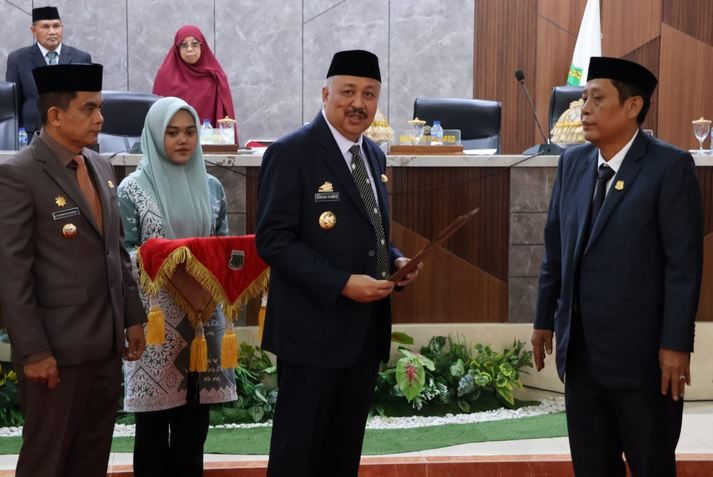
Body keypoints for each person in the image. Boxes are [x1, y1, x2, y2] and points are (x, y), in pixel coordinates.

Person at [531, 57, 703, 477]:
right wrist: (544, 319)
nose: (584, 109)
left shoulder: (669, 167)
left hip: (645, 360)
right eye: (583, 98)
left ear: (632, 106)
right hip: (582, 355)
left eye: (597, 98)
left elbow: (683, 266)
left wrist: (676, 344)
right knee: (592, 466)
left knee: (650, 465)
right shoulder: (572, 163)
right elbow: (556, 250)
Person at [256, 49, 420, 477]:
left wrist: (395, 259)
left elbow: (369, 229)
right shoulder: (291, 152)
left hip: (362, 336)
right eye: (348, 92)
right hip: (311, 334)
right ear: (325, 93)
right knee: (298, 456)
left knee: (342, 456)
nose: (358, 103)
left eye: (369, 94)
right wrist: (341, 282)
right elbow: (273, 241)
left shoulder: (374, 156)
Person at [0, 63, 146, 477]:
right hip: (56, 351)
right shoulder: (19, 174)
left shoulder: (100, 166)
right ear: (56, 115)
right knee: (46, 461)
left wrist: (132, 318)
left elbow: (116, 251)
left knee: (91, 460)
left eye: (99, 107)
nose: (100, 118)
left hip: (105, 345)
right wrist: (33, 351)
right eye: (89, 109)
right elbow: (12, 273)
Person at [118, 96, 237, 477]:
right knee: (153, 427)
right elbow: (123, 256)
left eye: (189, 132)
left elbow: (222, 247)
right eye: (172, 133)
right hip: (155, 318)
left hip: (201, 318)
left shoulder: (213, 187)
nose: (183, 140)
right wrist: (170, 262)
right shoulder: (132, 189)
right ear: (155, 136)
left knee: (194, 425)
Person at [5, 6, 92, 138]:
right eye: (45, 27)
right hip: (32, 135)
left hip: (71, 134)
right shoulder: (18, 59)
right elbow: (12, 107)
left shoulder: (81, 58)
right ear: (33, 30)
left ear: (62, 28)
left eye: (56, 26)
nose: (52, 32)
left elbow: (87, 102)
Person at [152, 25, 237, 140]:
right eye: (184, 45)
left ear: (202, 46)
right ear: (177, 48)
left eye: (195, 44)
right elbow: (157, 117)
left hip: (209, 143)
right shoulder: (165, 76)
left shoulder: (215, 77)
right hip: (173, 143)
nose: (189, 49)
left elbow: (225, 120)